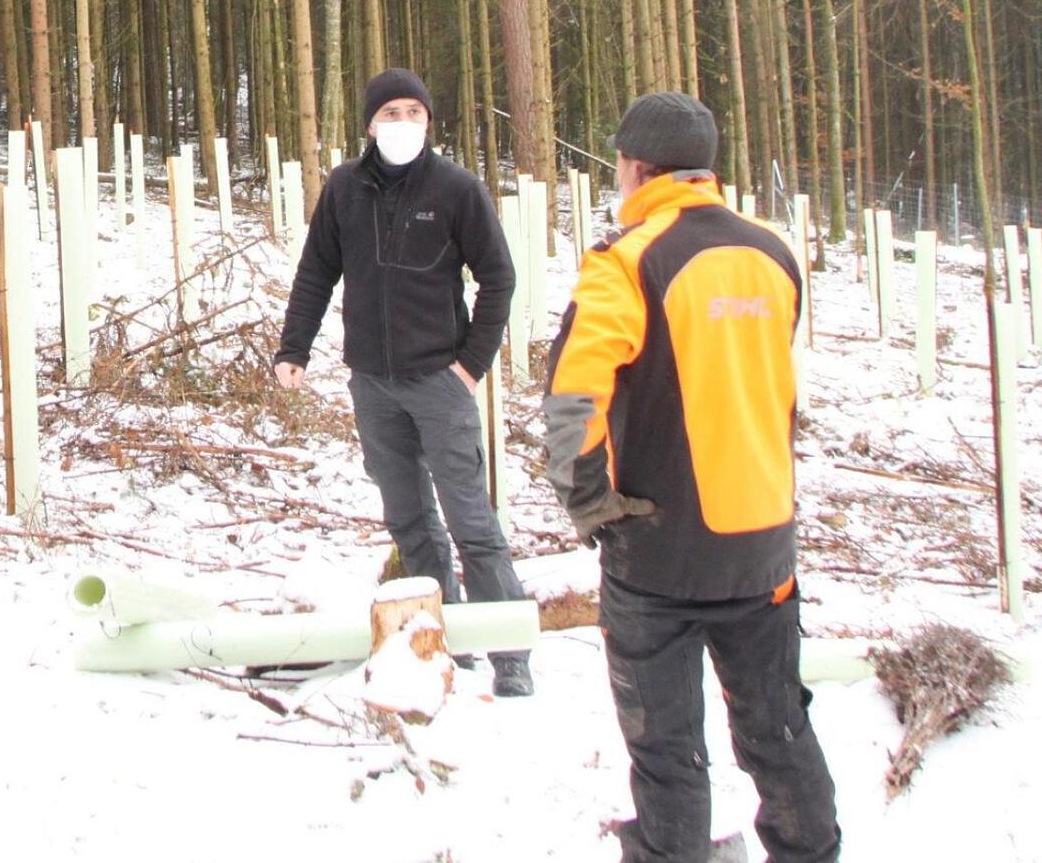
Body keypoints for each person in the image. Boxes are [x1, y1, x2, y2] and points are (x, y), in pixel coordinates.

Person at [542, 92, 839, 861]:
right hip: (764, 546)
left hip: (659, 554)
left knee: (668, 752)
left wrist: (589, 502)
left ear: (637, 168)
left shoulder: (629, 260)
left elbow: (574, 396)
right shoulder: (774, 252)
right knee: (779, 730)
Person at [272, 68, 531, 699]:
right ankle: (436, 639)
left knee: (471, 520)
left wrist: (470, 364)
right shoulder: (344, 190)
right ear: (369, 124)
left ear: (429, 123)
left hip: (440, 381)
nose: (402, 123)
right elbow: (316, 273)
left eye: (414, 112)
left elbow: (498, 278)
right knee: (410, 519)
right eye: (390, 112)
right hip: (373, 384)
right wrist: (293, 347)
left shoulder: (456, 189)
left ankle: (510, 655)